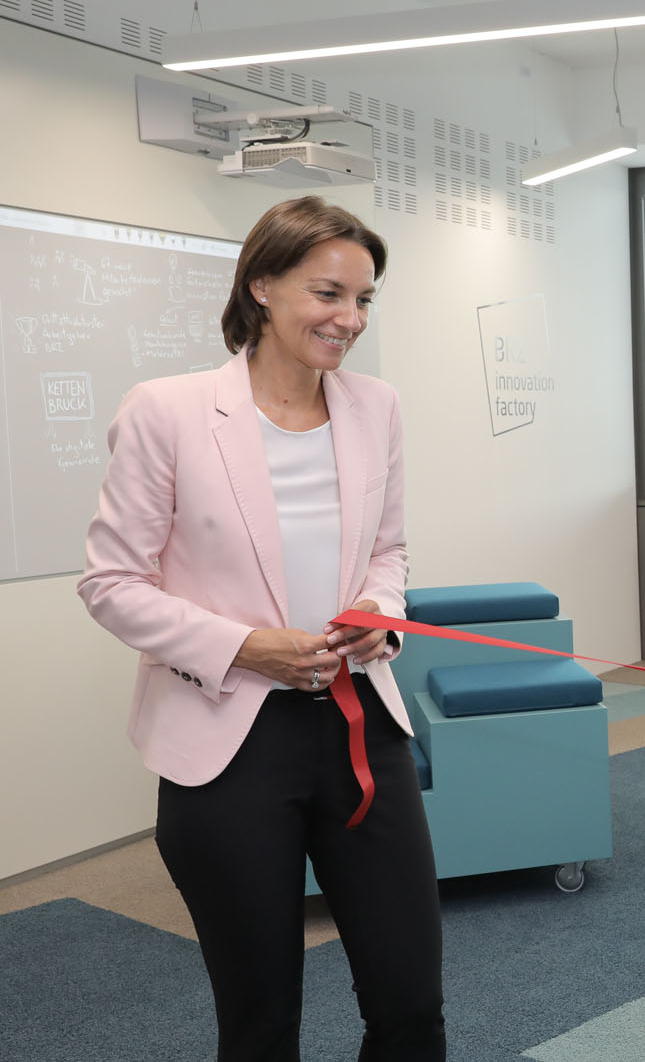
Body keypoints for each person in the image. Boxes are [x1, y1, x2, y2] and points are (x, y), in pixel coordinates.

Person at [78, 196, 444, 1060]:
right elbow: (110, 583)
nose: (349, 318)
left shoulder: (375, 406)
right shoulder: (167, 410)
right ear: (263, 286)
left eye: (364, 299)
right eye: (328, 293)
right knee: (260, 1018)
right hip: (225, 741)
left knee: (410, 1004)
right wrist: (246, 645)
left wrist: (378, 621)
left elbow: (388, 555)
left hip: (361, 728)